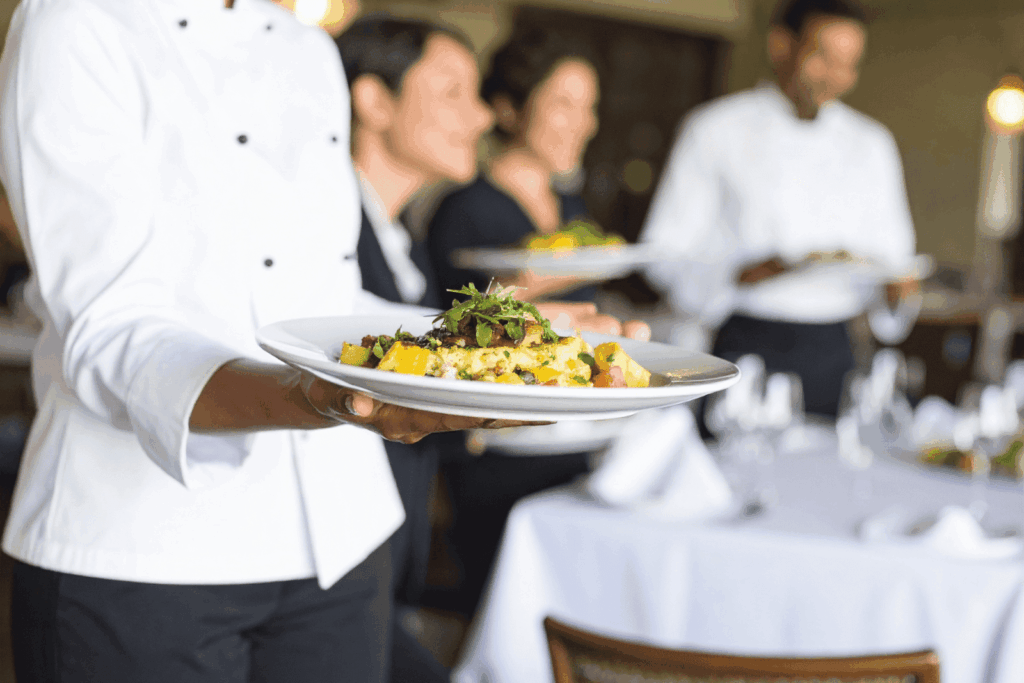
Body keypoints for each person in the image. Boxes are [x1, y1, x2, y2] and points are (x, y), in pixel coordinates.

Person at [0, 1, 530, 681]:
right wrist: (310, 397)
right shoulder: (78, 21)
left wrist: (488, 341)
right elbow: (109, 328)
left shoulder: (309, 50)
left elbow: (324, 300)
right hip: (140, 552)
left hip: (340, 544)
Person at [336, 15, 640, 671]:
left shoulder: (402, 239)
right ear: (373, 100)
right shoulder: (332, 233)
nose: (479, 117)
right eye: (454, 93)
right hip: (341, 551)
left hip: (394, 540)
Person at [640, 0, 917, 418]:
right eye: (823, 58)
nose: (836, 77)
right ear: (781, 45)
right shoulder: (715, 129)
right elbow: (662, 254)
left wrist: (898, 289)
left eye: (849, 65)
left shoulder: (872, 145)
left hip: (835, 347)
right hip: (742, 339)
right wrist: (736, 273)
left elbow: (895, 257)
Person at [427, 28, 603, 304]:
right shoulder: (464, 210)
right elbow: (443, 317)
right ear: (508, 109)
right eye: (564, 104)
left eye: (589, 107)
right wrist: (525, 285)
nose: (584, 125)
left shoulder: (571, 206)